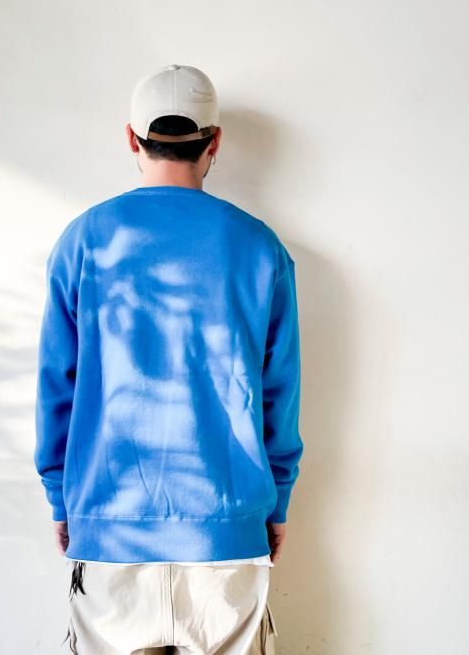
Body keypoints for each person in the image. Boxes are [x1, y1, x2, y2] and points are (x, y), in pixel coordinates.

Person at [34, 64, 303, 654]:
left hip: (111, 532)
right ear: (215, 142)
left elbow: (58, 385)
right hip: (225, 537)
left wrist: (61, 496)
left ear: (131, 138)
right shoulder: (259, 247)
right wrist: (277, 501)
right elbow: (279, 393)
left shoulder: (84, 240)